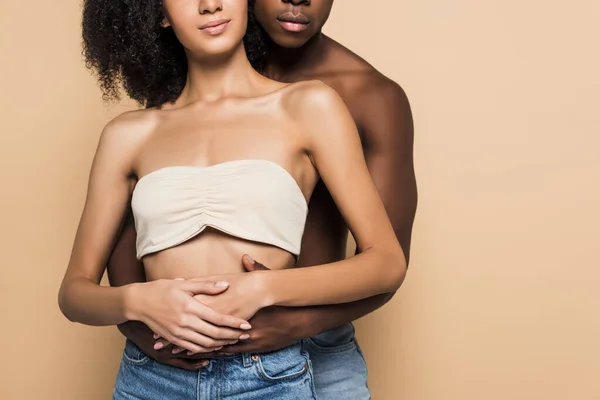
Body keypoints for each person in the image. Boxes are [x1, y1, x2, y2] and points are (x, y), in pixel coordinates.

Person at [58, 0, 407, 399]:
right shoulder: (127, 134)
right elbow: (74, 293)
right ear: (159, 14)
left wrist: (263, 289)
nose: (211, 5)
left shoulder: (309, 106)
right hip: (152, 377)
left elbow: (386, 262)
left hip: (268, 377)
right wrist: (139, 302)